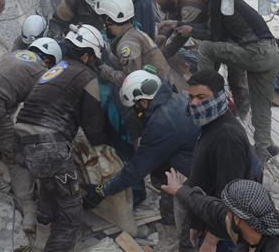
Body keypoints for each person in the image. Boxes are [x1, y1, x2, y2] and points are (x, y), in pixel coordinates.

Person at [15, 24, 109, 251]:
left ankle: (42, 232)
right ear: (86, 55)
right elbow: (93, 128)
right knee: (71, 212)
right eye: (94, 59)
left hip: (22, 139)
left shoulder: (57, 68)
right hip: (49, 142)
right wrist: (107, 146)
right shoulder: (86, 76)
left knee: (49, 186)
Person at [82, 68, 198, 250]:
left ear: (144, 101)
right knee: (161, 174)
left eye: (135, 107)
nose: (135, 113)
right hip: (197, 157)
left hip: (199, 174)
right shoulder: (174, 99)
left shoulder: (161, 123)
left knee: (184, 210)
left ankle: (182, 240)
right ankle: (173, 228)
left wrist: (101, 190)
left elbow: (136, 170)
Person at [190, 0, 279, 160]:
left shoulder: (217, 0)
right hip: (272, 54)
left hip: (256, 52)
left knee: (206, 48)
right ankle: (264, 146)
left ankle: (204, 99)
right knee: (261, 104)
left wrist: (189, 30)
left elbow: (214, 36)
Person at [0, 37, 62, 233]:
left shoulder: (12, 55)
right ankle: (29, 209)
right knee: (15, 157)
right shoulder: (40, 72)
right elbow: (37, 113)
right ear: (49, 61)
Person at [185, 70, 262, 251]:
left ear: (219, 97)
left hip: (224, 231)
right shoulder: (211, 124)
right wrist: (197, 223)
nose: (194, 103)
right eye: (191, 97)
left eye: (201, 97)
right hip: (209, 216)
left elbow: (229, 196)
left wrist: (211, 241)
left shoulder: (227, 137)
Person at [154, 0, 251, 116]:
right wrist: (164, 35)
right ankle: (214, 107)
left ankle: (242, 115)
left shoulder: (189, 5)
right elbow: (172, 20)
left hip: (230, 40)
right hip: (212, 42)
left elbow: (180, 37)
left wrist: (161, 56)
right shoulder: (175, 3)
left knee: (236, 80)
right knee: (208, 78)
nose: (157, 0)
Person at [161, 173, 279, 252]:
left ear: (237, 218)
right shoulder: (252, 227)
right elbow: (210, 207)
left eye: (229, 212)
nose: (226, 214)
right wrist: (179, 190)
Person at [96, 0, 189, 94]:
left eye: (103, 22)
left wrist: (107, 72)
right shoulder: (135, 32)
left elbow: (131, 81)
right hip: (166, 85)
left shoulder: (126, 45)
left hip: (157, 93)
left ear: (108, 20)